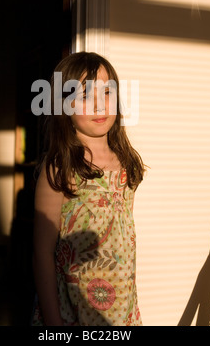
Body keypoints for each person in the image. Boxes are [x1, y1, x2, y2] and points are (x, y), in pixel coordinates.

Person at [32, 51, 145, 326]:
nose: (99, 106)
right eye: (84, 96)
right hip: (72, 314)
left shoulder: (126, 162)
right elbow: (42, 253)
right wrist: (54, 322)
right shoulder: (59, 168)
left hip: (121, 312)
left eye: (106, 93)